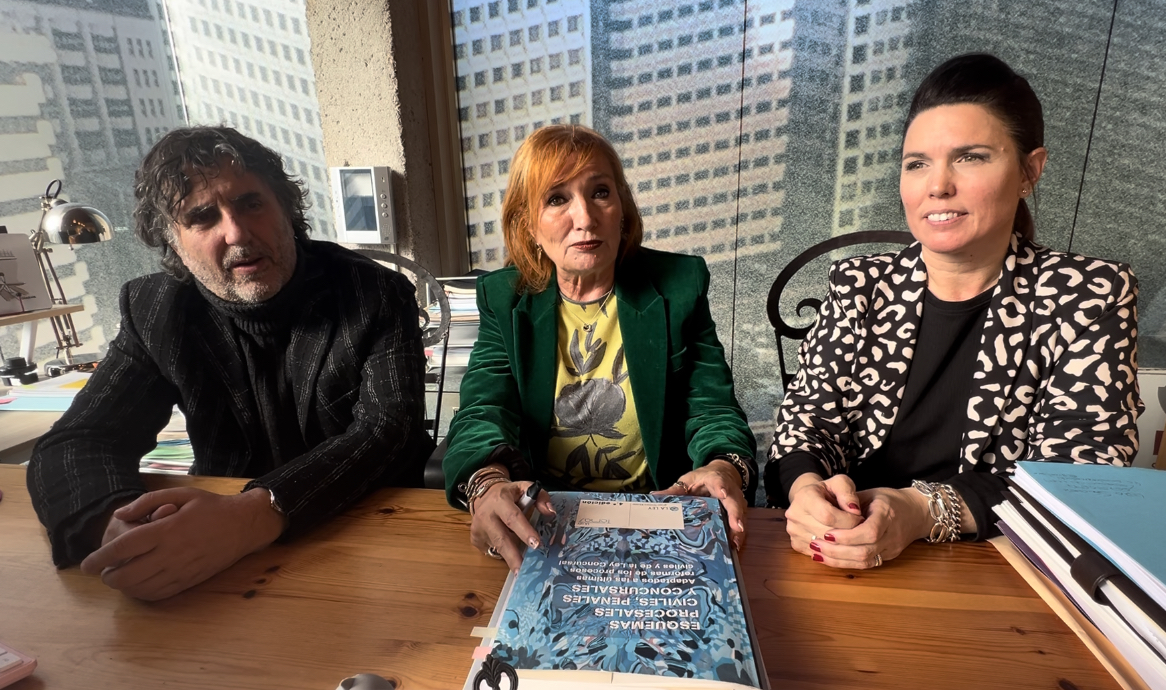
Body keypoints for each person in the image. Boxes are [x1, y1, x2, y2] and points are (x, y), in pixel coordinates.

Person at [767, 53, 1141, 569]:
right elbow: (804, 425)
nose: (938, 184)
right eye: (917, 163)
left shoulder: (1087, 296)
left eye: (971, 157)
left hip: (994, 569)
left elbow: (1082, 476)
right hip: (841, 555)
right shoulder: (859, 284)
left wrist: (922, 511)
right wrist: (807, 488)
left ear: (1030, 171)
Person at [26, 126, 434, 600]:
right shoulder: (157, 310)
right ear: (173, 242)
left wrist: (253, 515)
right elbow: (79, 440)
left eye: (251, 203)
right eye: (202, 217)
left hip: (366, 536)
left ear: (286, 209)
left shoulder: (374, 292)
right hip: (217, 562)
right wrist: (118, 527)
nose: (237, 232)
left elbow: (387, 432)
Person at [442, 125, 757, 570]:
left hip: (658, 517)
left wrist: (723, 467)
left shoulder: (679, 287)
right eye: (557, 199)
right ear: (528, 224)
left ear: (622, 209)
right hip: (546, 522)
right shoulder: (504, 299)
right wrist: (486, 483)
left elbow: (713, 409)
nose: (586, 218)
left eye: (601, 193)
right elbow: (483, 409)